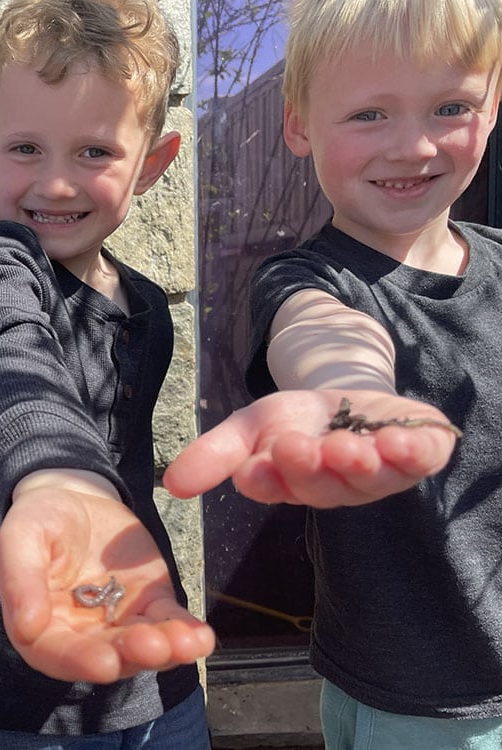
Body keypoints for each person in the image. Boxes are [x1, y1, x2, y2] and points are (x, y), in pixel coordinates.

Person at [171, 0, 502, 747]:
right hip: (419, 707)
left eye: (450, 107)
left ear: (492, 109)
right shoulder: (307, 281)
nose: (413, 146)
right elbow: (322, 334)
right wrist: (353, 396)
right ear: (299, 125)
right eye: (368, 115)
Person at [0, 0, 216, 747]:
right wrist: (56, 476)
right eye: (26, 149)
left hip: (148, 650)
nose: (57, 184)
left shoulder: (145, 304)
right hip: (25, 673)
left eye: (93, 152)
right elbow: (11, 357)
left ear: (152, 164)